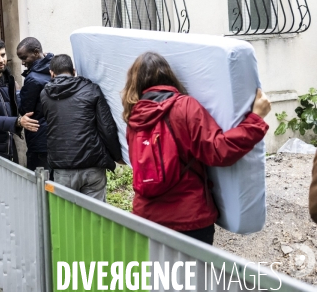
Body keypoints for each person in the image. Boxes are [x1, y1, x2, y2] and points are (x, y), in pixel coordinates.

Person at [122, 52, 270, 245]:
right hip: (190, 219)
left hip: (146, 218)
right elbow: (219, 150)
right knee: (194, 276)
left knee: (159, 275)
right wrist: (255, 120)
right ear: (169, 76)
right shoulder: (184, 106)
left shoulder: (133, 117)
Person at [40, 54, 123, 201]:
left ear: (51, 73)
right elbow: (107, 128)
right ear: (73, 70)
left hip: (62, 167)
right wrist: (117, 156)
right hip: (92, 164)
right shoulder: (91, 89)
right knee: (95, 218)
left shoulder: (45, 95)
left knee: (66, 218)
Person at [16, 37, 53, 173]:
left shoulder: (33, 79)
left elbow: (25, 110)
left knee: (39, 183)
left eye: (24, 58)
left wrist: (18, 92)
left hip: (39, 139)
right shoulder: (55, 68)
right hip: (56, 138)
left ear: (36, 53)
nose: (23, 62)